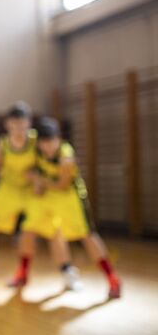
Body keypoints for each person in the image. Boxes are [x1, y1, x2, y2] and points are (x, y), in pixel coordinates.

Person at [0, 102, 70, 286]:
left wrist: (40, 181)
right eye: (15, 124)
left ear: (29, 124)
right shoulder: (1, 144)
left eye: (23, 124)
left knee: (53, 229)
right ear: (7, 124)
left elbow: (53, 158)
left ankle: (67, 271)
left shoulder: (38, 141)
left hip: (32, 190)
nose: (19, 128)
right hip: (8, 189)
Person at [18, 117, 121, 299]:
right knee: (33, 230)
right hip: (49, 196)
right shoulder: (34, 146)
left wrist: (38, 180)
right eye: (44, 142)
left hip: (70, 196)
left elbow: (62, 185)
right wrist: (36, 182)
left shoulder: (66, 156)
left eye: (52, 141)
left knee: (87, 236)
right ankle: (34, 274)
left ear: (59, 138)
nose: (48, 146)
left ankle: (112, 279)